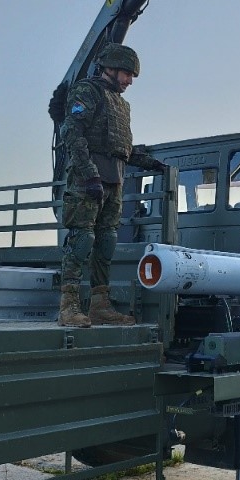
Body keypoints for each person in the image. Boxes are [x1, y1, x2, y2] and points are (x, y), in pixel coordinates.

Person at [57, 43, 166, 327]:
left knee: (106, 243)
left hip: (114, 181)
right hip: (87, 180)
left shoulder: (121, 104)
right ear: (111, 67)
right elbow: (72, 133)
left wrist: (151, 163)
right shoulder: (87, 91)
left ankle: (99, 305)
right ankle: (68, 306)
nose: (129, 81)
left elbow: (121, 148)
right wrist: (89, 174)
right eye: (127, 74)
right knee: (82, 240)